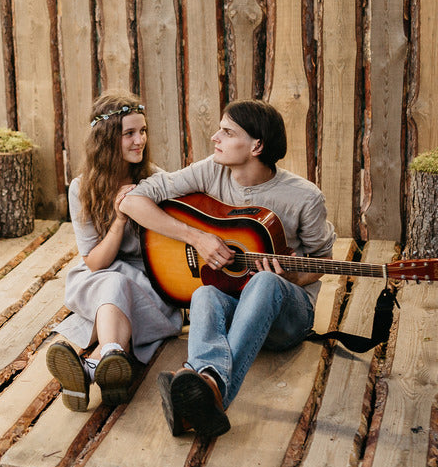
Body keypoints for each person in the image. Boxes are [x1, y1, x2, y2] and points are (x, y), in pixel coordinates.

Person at [119, 99, 336, 437]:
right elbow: (132, 200)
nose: (214, 137)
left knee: (264, 282)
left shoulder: (305, 197)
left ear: (256, 146)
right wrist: (196, 237)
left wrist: (288, 276)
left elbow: (324, 260)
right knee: (204, 293)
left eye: (227, 132)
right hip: (234, 304)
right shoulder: (212, 169)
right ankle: (205, 390)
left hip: (288, 318)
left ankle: (212, 389)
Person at [47, 91, 184, 411]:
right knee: (113, 281)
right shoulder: (82, 189)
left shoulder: (156, 180)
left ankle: (93, 366)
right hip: (98, 277)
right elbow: (95, 262)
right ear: (107, 140)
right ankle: (109, 363)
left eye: (143, 131)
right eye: (130, 133)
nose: (140, 140)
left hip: (151, 284)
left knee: (121, 284)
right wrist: (121, 219)